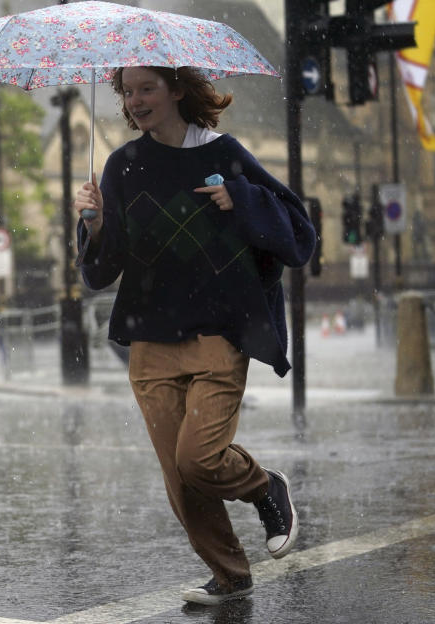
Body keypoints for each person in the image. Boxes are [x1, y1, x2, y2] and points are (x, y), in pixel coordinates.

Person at [74, 66, 316, 606]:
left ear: (177, 89)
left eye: (147, 89)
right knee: (180, 479)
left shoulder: (221, 153)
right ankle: (230, 574)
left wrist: (240, 198)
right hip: (150, 336)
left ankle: (264, 487)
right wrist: (92, 228)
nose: (135, 101)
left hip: (219, 329)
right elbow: (100, 272)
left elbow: (299, 233)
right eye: (127, 92)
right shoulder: (123, 166)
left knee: (199, 459)